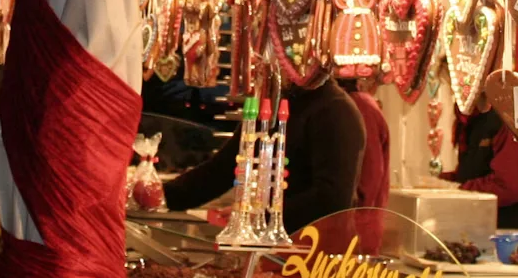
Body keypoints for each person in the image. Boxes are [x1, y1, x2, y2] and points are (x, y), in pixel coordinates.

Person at [162, 76, 366, 246]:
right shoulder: (275, 102)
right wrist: (162, 197)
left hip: (317, 255)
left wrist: (258, 217)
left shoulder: (335, 109)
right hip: (274, 250)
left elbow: (332, 199)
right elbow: (222, 169)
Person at [446, 105, 518, 235]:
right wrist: (443, 184)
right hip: (493, 235)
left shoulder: (516, 113)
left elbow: (509, 187)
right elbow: (474, 171)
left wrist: (456, 191)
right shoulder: (471, 118)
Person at [345, 77, 392, 252]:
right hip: (356, 224)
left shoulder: (360, 106)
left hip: (358, 229)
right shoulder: (360, 104)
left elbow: (370, 173)